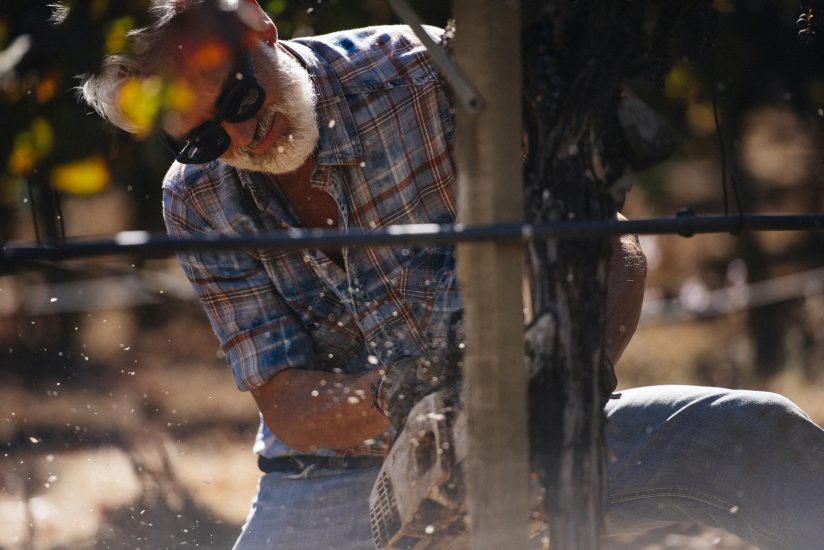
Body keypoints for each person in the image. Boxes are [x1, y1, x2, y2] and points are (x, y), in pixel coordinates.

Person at [76, 1, 824, 548]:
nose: (243, 134)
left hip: (532, 423)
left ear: (261, 27)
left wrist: (568, 381)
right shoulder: (194, 196)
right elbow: (290, 404)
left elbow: (608, 250)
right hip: (332, 481)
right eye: (206, 136)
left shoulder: (432, 76)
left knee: (759, 441)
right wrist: (406, 402)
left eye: (241, 98)